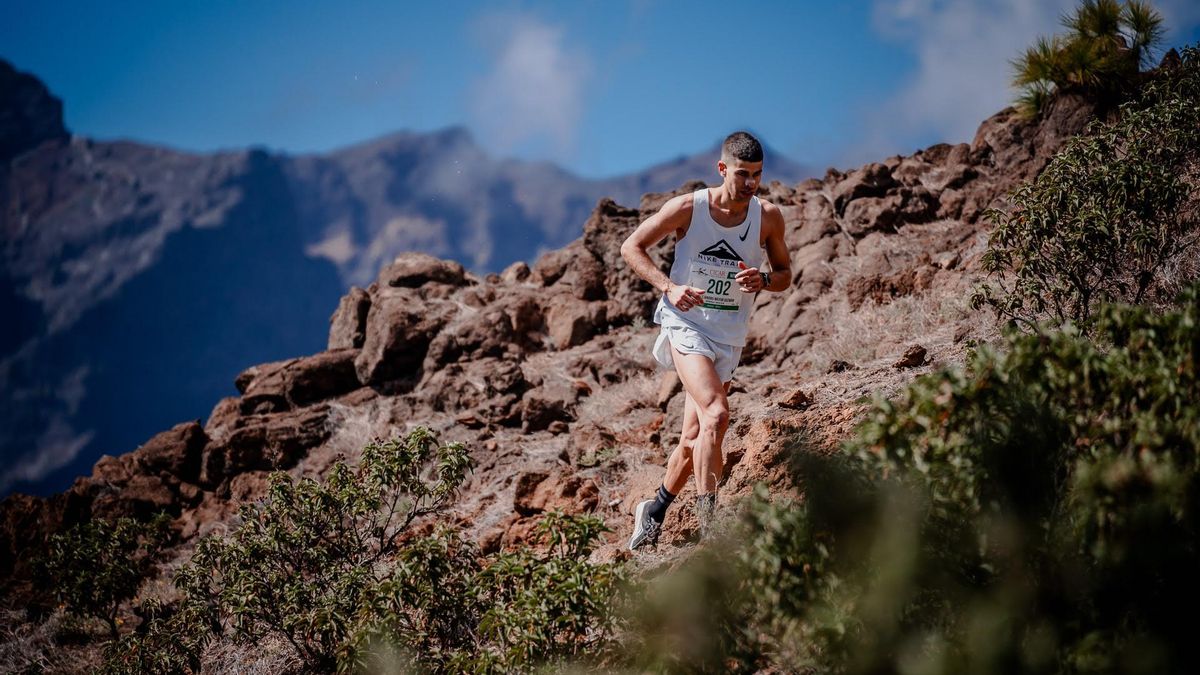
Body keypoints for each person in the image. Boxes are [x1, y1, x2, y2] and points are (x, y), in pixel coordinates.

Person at [620, 131, 792, 550]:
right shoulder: (689, 208)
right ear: (722, 169)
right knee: (717, 414)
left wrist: (763, 279)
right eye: (742, 174)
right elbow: (631, 247)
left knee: (693, 439)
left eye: (757, 174)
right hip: (686, 325)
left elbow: (785, 274)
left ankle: (654, 510)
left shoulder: (767, 217)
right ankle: (709, 528)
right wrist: (669, 287)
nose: (750, 183)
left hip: (729, 335)